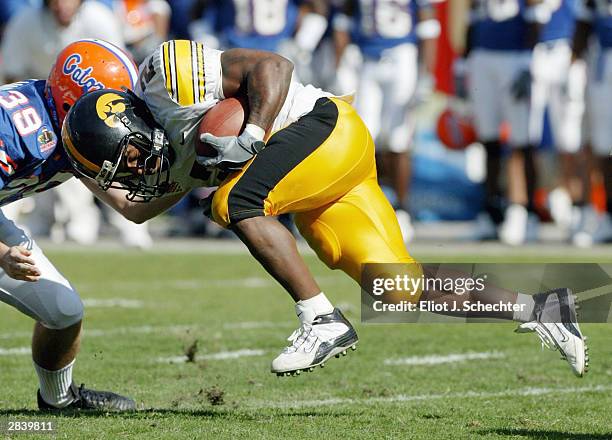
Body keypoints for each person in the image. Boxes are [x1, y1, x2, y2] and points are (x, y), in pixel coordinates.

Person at [62, 39, 587, 378]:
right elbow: (135, 212)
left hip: (321, 128)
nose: (132, 170)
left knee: (235, 201)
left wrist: (252, 131)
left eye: (124, 158)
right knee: (396, 286)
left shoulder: (166, 77)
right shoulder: (165, 160)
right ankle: (543, 308)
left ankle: (321, 318)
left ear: (131, 125)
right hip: (323, 171)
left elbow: (274, 64)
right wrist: (74, 168)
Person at [0, 39, 138, 411]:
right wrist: (2, 255)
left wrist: (196, 177)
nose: (121, 120)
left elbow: (133, 207)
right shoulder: (13, 125)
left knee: (63, 311)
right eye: (113, 108)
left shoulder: (69, 127)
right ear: (77, 98)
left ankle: (58, 400)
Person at [1, 0, 152, 248]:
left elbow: (122, 79)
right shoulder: (26, 21)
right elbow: (12, 72)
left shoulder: (99, 18)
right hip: (44, 107)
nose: (63, 4)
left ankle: (96, 225)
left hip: (84, 113)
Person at [333, 0, 440, 242]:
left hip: (403, 56)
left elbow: (428, 26)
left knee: (399, 138)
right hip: (366, 59)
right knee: (365, 138)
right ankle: (370, 205)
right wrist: (339, 66)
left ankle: (402, 209)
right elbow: (343, 19)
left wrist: (426, 74)